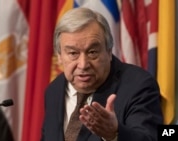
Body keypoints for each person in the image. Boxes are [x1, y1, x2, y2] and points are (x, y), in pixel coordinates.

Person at [41, 7, 163, 141]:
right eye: (73, 53)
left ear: (109, 51)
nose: (83, 64)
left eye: (92, 52)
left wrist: (114, 134)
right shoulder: (54, 90)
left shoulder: (139, 85)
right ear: (59, 56)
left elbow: (151, 138)